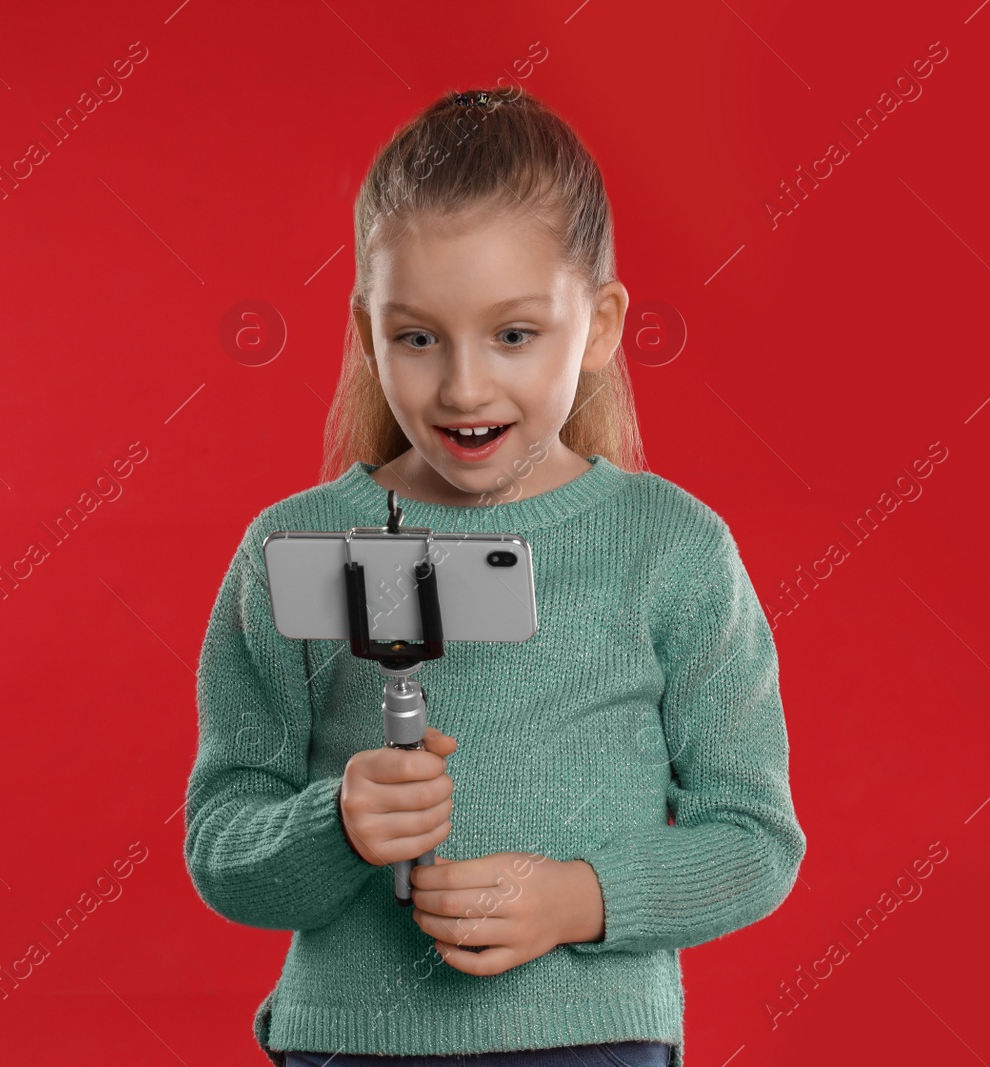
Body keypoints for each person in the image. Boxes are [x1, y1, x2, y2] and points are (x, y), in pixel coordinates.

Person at [184, 85, 806, 1067]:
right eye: (416, 335)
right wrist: (335, 820)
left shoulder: (669, 549)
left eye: (513, 334)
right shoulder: (292, 551)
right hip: (352, 1043)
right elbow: (223, 848)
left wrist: (577, 899)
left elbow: (755, 837)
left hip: (590, 1040)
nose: (464, 385)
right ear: (364, 330)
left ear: (598, 325)